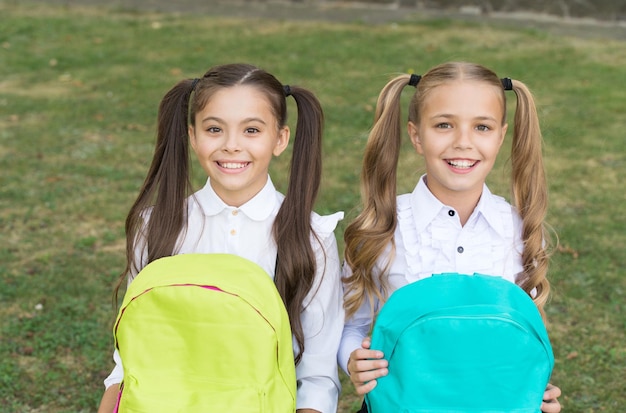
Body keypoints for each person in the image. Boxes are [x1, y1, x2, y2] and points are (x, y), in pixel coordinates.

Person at [97, 63, 344, 413]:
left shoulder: (311, 238)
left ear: (280, 139)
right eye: (215, 129)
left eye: (251, 130)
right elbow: (132, 353)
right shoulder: (157, 228)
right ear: (193, 135)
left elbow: (317, 373)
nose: (231, 146)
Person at [338, 61, 562, 412]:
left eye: (482, 127)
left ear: (501, 136)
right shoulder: (380, 230)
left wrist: (534, 390)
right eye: (444, 125)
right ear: (415, 135)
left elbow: (515, 342)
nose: (463, 142)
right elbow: (354, 324)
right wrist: (353, 358)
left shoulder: (518, 230)